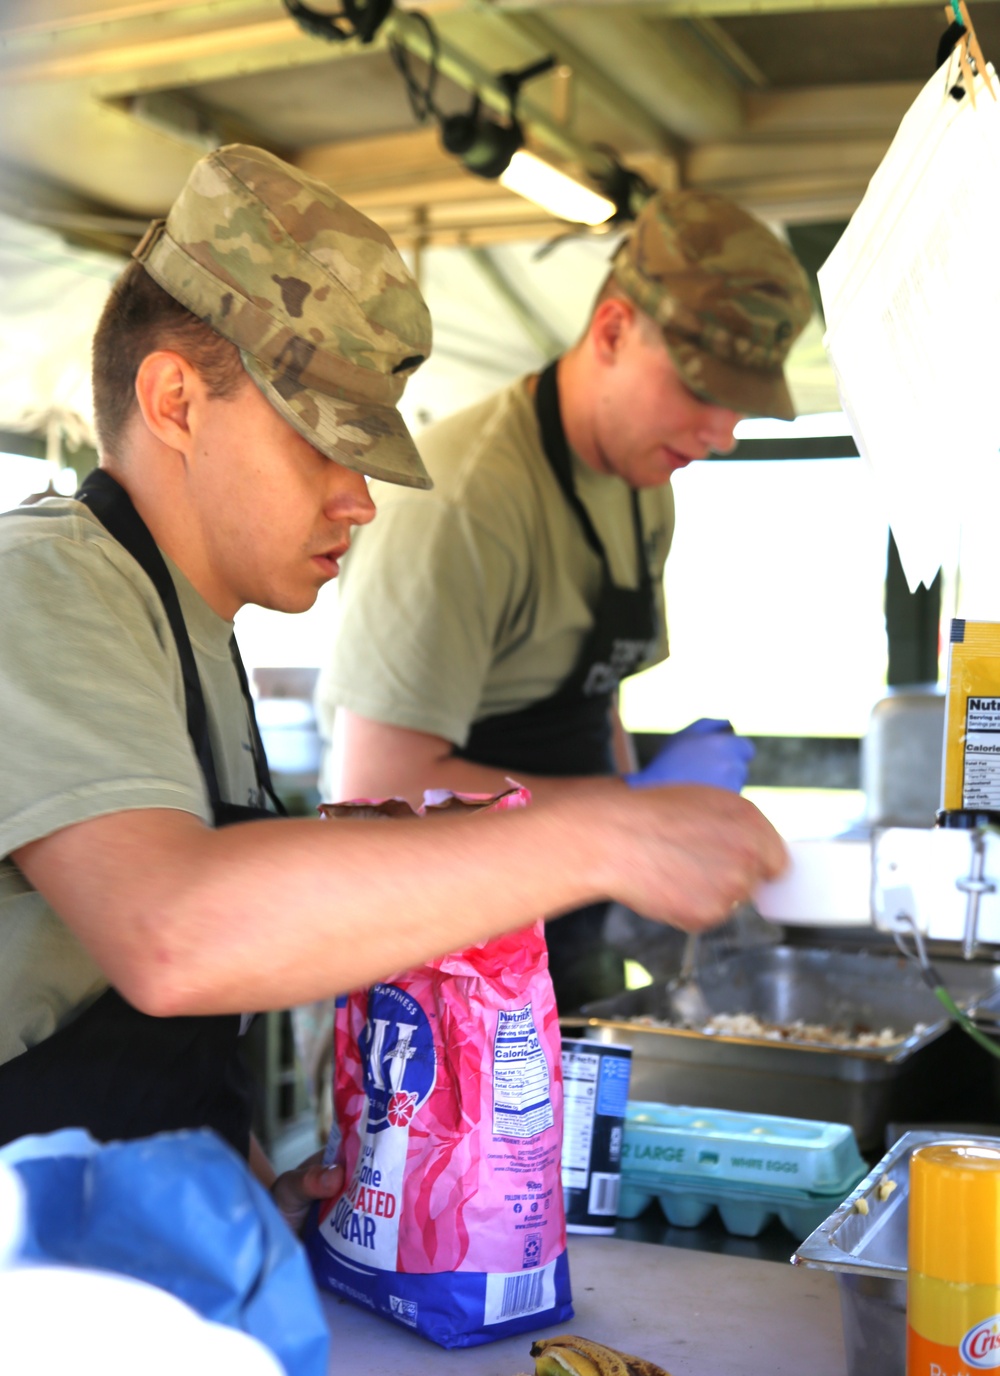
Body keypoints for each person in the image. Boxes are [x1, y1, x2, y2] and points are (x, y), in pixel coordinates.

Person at [0, 144, 786, 1224]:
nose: (359, 501)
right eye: (323, 444)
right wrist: (605, 831)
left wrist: (255, 1196)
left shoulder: (192, 627)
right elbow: (173, 934)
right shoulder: (41, 583)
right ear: (176, 400)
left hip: (127, 1254)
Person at [317, 188, 814, 1008]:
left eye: (741, 403)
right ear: (614, 330)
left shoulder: (644, 479)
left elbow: (598, 702)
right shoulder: (466, 502)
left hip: (568, 928)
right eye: (701, 388)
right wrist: (633, 807)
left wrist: (641, 845)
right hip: (440, 965)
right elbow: (379, 786)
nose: (723, 432)